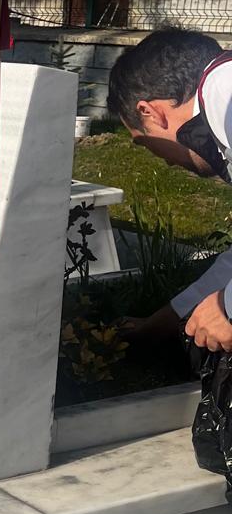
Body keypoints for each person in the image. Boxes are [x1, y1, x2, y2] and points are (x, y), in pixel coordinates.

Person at [106, 25, 232, 353]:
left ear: (150, 112)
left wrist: (229, 308)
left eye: (145, 143)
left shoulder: (226, 95)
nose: (166, 162)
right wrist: (167, 320)